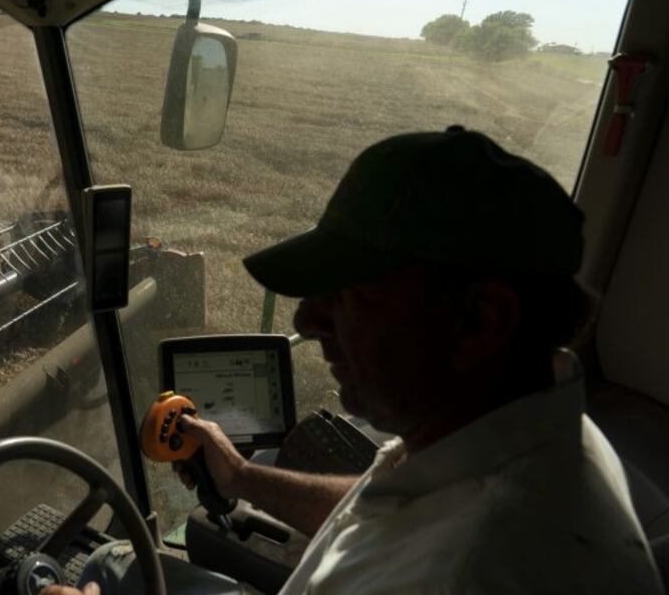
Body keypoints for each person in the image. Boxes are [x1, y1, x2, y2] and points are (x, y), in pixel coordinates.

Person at [45, 127, 665, 594]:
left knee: (101, 567)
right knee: (112, 563)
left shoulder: (474, 566)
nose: (307, 321)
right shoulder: (515, 434)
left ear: (482, 320)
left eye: (349, 293)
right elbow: (393, 508)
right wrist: (241, 478)